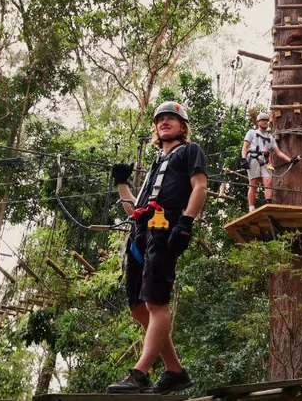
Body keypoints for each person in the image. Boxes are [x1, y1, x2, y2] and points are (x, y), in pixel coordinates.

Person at [108, 101, 207, 394]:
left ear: (182, 126)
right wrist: (122, 183)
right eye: (160, 119)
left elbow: (200, 186)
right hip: (140, 235)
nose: (164, 122)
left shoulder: (190, 151)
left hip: (166, 230)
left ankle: (141, 372)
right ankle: (175, 371)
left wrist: (186, 222)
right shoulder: (155, 165)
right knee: (139, 309)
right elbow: (133, 210)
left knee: (156, 303)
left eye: (171, 119)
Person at [240, 112, 298, 211]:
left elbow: (278, 152)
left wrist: (291, 160)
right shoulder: (251, 132)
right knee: (253, 183)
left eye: (266, 121)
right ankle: (251, 208)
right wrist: (244, 158)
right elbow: (245, 146)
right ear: (258, 122)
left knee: (268, 181)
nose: (265, 122)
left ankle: (268, 203)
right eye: (262, 120)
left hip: (265, 160)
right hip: (254, 157)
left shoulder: (270, 138)